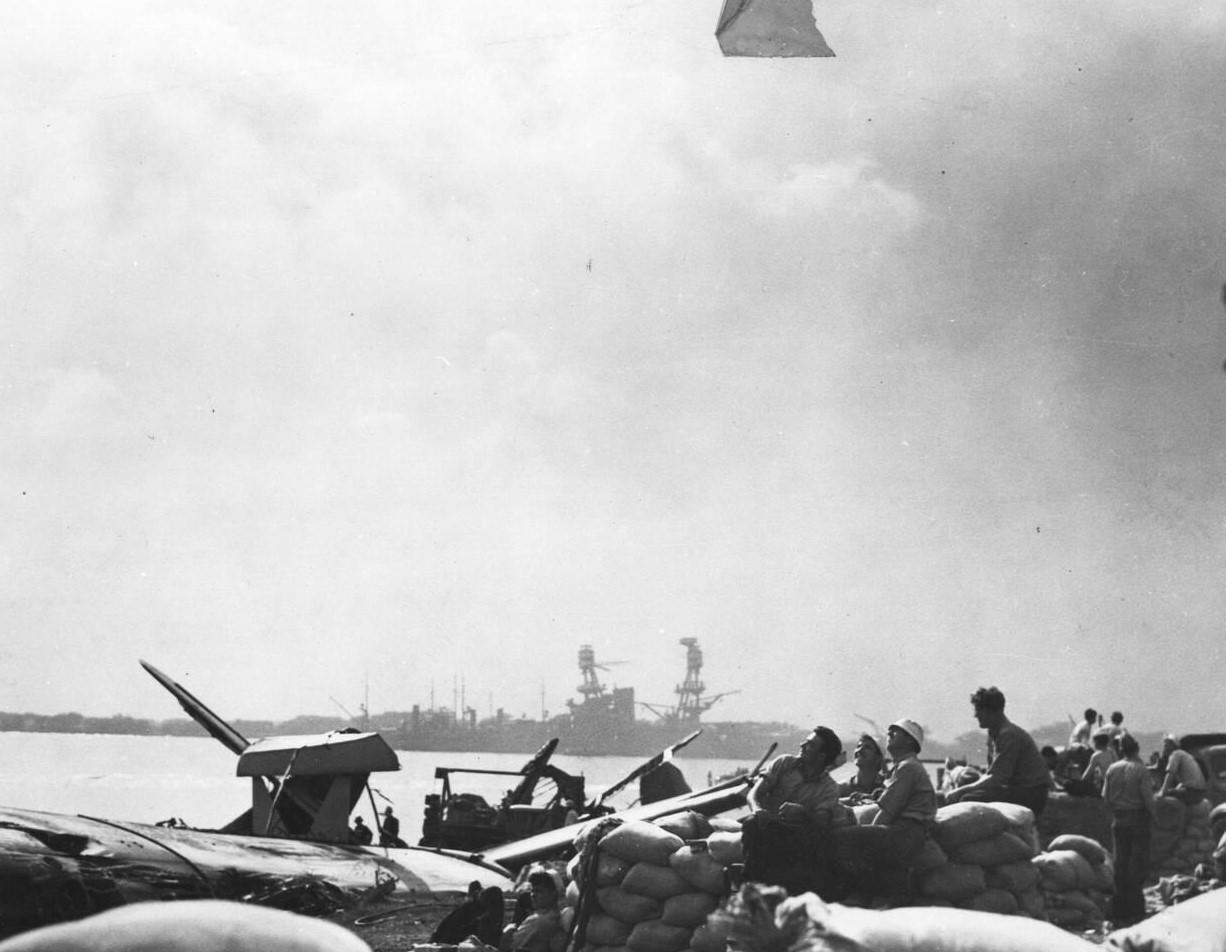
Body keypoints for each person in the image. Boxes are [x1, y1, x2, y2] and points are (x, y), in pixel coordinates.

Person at [834, 718, 937, 899]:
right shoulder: (904, 767)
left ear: (909, 741)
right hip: (905, 830)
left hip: (907, 831)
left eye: (894, 733)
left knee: (844, 837)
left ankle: (863, 894)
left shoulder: (908, 768)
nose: (889, 735)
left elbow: (888, 811)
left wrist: (867, 832)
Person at [743, 726, 844, 896]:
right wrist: (758, 810)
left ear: (821, 756)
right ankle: (750, 891)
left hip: (795, 836)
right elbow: (754, 794)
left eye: (810, 744)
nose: (802, 745)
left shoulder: (829, 788)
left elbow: (822, 822)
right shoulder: (784, 764)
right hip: (767, 826)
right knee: (752, 824)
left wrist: (803, 812)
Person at [943, 686, 1051, 816]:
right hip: (1017, 790)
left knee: (968, 800)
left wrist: (960, 791)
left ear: (991, 711)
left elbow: (997, 778)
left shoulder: (1009, 735)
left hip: (1030, 795)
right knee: (969, 790)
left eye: (979, 710)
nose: (975, 715)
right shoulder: (995, 733)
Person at [1102, 734, 1156, 927]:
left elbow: (1105, 797)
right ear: (1137, 749)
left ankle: (1120, 906)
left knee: (1120, 862)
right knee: (1137, 862)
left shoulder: (1112, 769)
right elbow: (1148, 799)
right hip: (1138, 818)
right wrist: (1154, 816)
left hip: (1119, 818)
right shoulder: (1141, 770)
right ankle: (1135, 907)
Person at [499, 870, 563, 952]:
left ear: (553, 894)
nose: (533, 895)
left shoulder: (536, 921)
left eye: (539, 891)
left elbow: (506, 946)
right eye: (532, 891)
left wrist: (507, 930)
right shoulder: (556, 915)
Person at [1158, 735, 1207, 806]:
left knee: (1160, 797)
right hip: (1199, 792)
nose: (1164, 748)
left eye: (1166, 745)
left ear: (1172, 745)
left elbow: (1170, 774)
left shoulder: (1175, 754)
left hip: (1192, 792)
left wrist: (1162, 791)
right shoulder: (1184, 754)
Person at [838, 733, 887, 801]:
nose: (860, 750)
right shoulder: (842, 789)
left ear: (878, 758)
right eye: (858, 746)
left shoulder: (887, 786)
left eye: (867, 747)